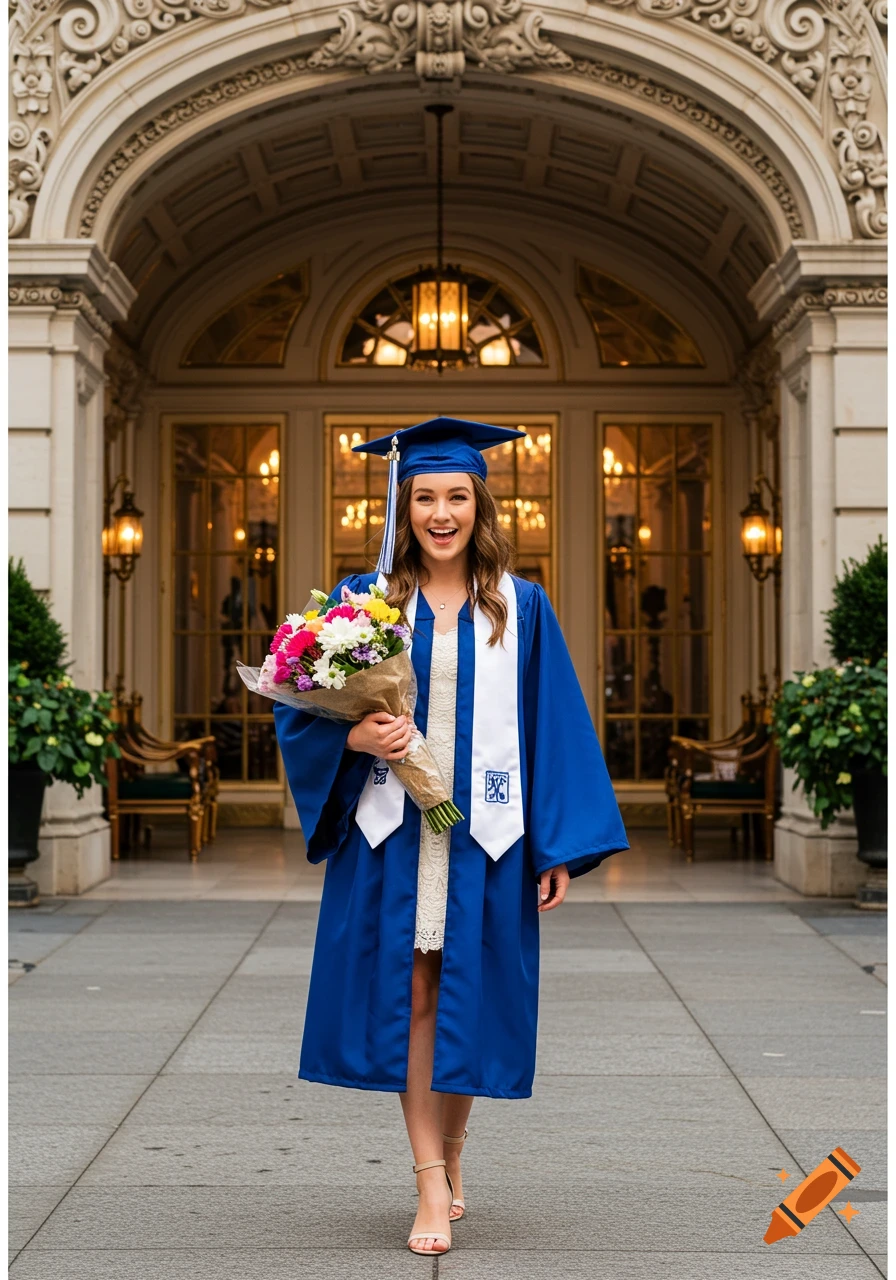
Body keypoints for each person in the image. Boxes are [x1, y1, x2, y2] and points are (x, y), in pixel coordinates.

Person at [274, 416, 628, 1256]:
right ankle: (428, 1183)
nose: (440, 513)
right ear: (402, 505)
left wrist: (555, 845)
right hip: (394, 833)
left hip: (485, 836)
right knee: (418, 997)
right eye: (424, 496)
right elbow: (300, 706)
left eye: (456, 497)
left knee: (467, 999)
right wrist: (353, 739)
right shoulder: (365, 599)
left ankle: (455, 1151)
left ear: (481, 504)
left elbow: (554, 725)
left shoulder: (520, 603)